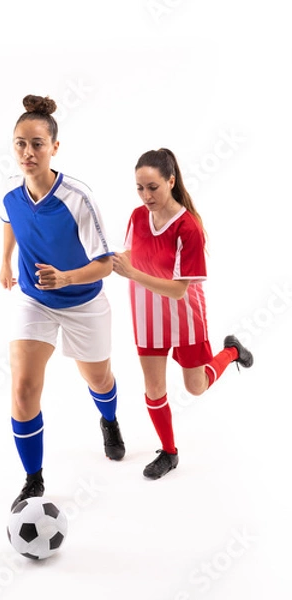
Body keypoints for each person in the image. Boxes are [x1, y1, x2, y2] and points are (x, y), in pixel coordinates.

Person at [0, 94, 125, 511]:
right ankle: (33, 479)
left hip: (83, 301)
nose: (28, 152)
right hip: (34, 301)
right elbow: (10, 222)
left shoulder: (78, 198)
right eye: (20, 143)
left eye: (37, 143)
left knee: (99, 380)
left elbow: (106, 264)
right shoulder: (11, 196)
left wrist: (67, 277)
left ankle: (108, 419)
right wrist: (4, 262)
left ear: (54, 147)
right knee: (24, 388)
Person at [113, 148, 253, 480]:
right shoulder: (137, 216)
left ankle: (232, 350)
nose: (146, 196)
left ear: (171, 181)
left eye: (153, 187)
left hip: (184, 315)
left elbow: (178, 289)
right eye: (139, 188)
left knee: (196, 387)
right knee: (154, 388)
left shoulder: (188, 227)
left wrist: (132, 274)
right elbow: (132, 252)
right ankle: (169, 452)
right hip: (146, 314)